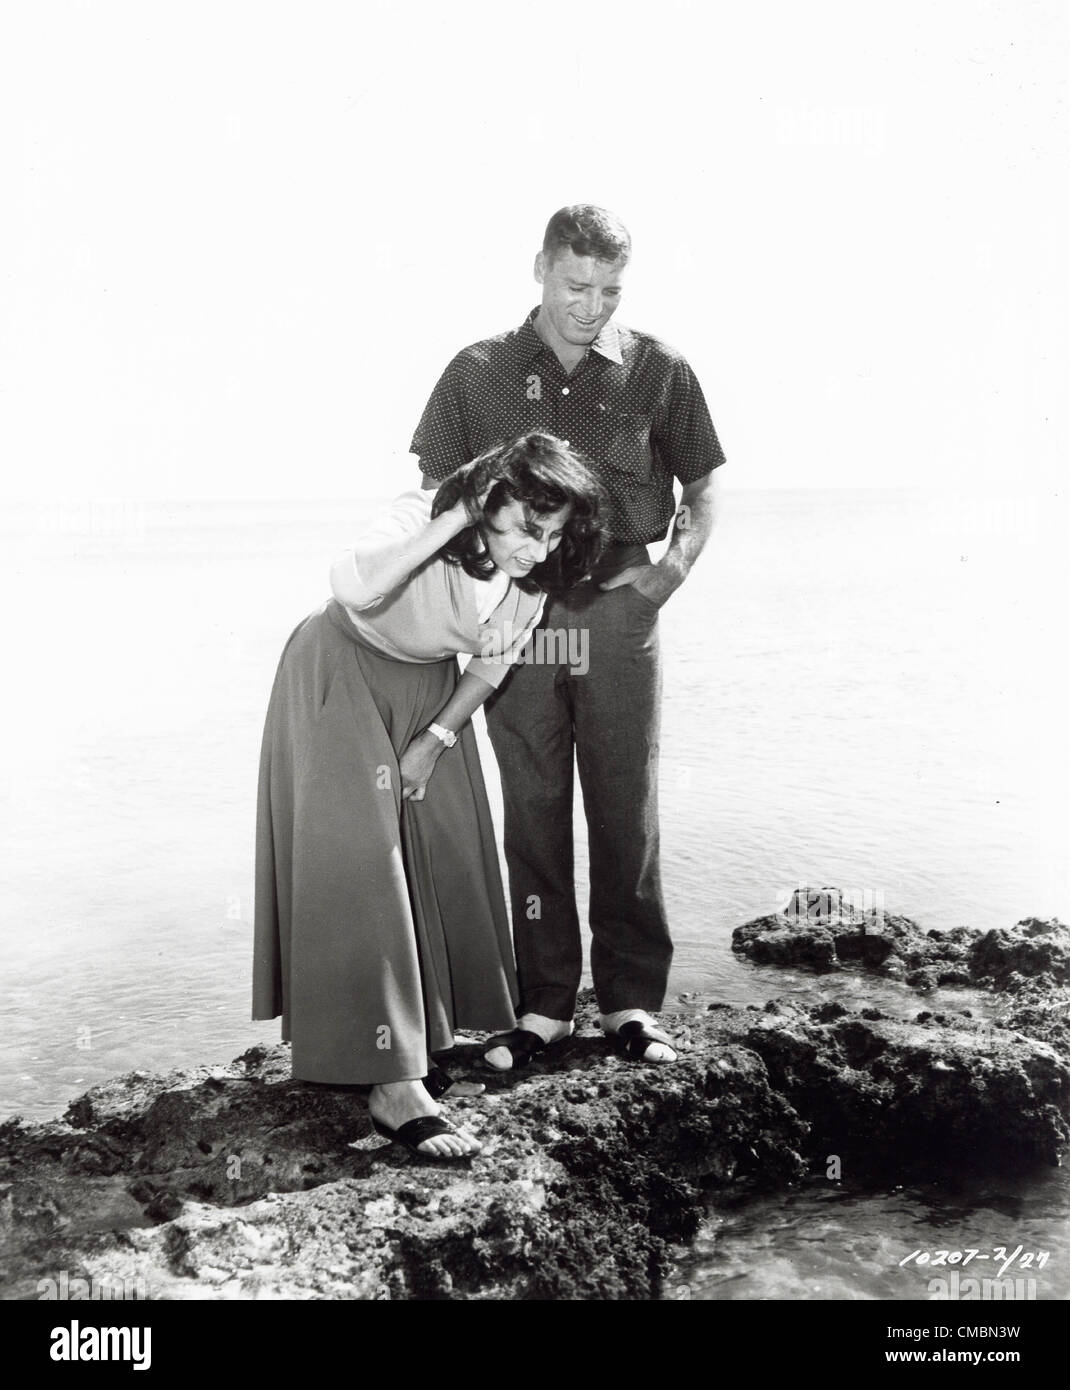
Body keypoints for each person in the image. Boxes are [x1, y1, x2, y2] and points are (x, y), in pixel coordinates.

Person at [410, 204, 726, 1069]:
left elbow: (704, 488)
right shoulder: (477, 373)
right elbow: (435, 504)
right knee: (534, 807)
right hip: (522, 617)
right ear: (541, 268)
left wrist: (670, 573)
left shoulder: (662, 370)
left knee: (626, 804)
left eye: (610, 290)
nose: (592, 305)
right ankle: (545, 1004)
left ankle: (630, 1001)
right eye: (576, 284)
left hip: (620, 606)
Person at [252, 432, 604, 1159]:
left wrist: (436, 740)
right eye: (527, 528)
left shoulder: (534, 577)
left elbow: (494, 661)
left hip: (430, 694)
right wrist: (454, 519)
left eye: (556, 534)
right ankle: (392, 1085)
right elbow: (353, 586)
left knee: (448, 853)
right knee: (364, 868)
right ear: (489, 501)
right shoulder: (419, 514)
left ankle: (420, 1035)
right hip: (339, 670)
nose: (538, 550)